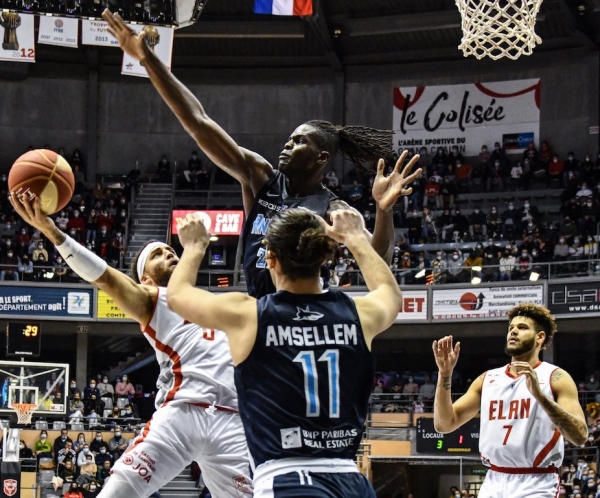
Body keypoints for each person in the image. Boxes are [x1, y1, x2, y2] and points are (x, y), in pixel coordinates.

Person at [102, 9, 421, 300]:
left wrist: (383, 210)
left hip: (307, 310)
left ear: (321, 158)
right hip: (260, 307)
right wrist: (147, 59)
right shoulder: (260, 176)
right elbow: (198, 122)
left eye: (299, 142)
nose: (287, 144)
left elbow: (378, 260)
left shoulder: (331, 207)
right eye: (289, 138)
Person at [9, 194, 251, 498]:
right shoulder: (155, 299)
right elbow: (106, 278)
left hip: (232, 419)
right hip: (182, 414)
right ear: (146, 278)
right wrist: (54, 233)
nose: (169, 254)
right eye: (158, 254)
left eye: (170, 250)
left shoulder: (221, 305)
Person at [166, 208, 403, 497]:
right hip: (350, 479)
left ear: (271, 259)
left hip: (287, 479)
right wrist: (355, 238)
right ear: (326, 255)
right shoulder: (359, 313)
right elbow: (390, 293)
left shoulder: (249, 315)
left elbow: (177, 296)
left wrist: (194, 246)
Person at [432, 303, 587, 498]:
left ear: (539, 337)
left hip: (536, 482)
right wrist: (444, 374)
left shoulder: (556, 377)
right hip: (493, 479)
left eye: (522, 328)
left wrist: (540, 396)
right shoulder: (487, 379)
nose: (513, 331)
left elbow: (580, 436)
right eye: (511, 328)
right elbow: (443, 424)